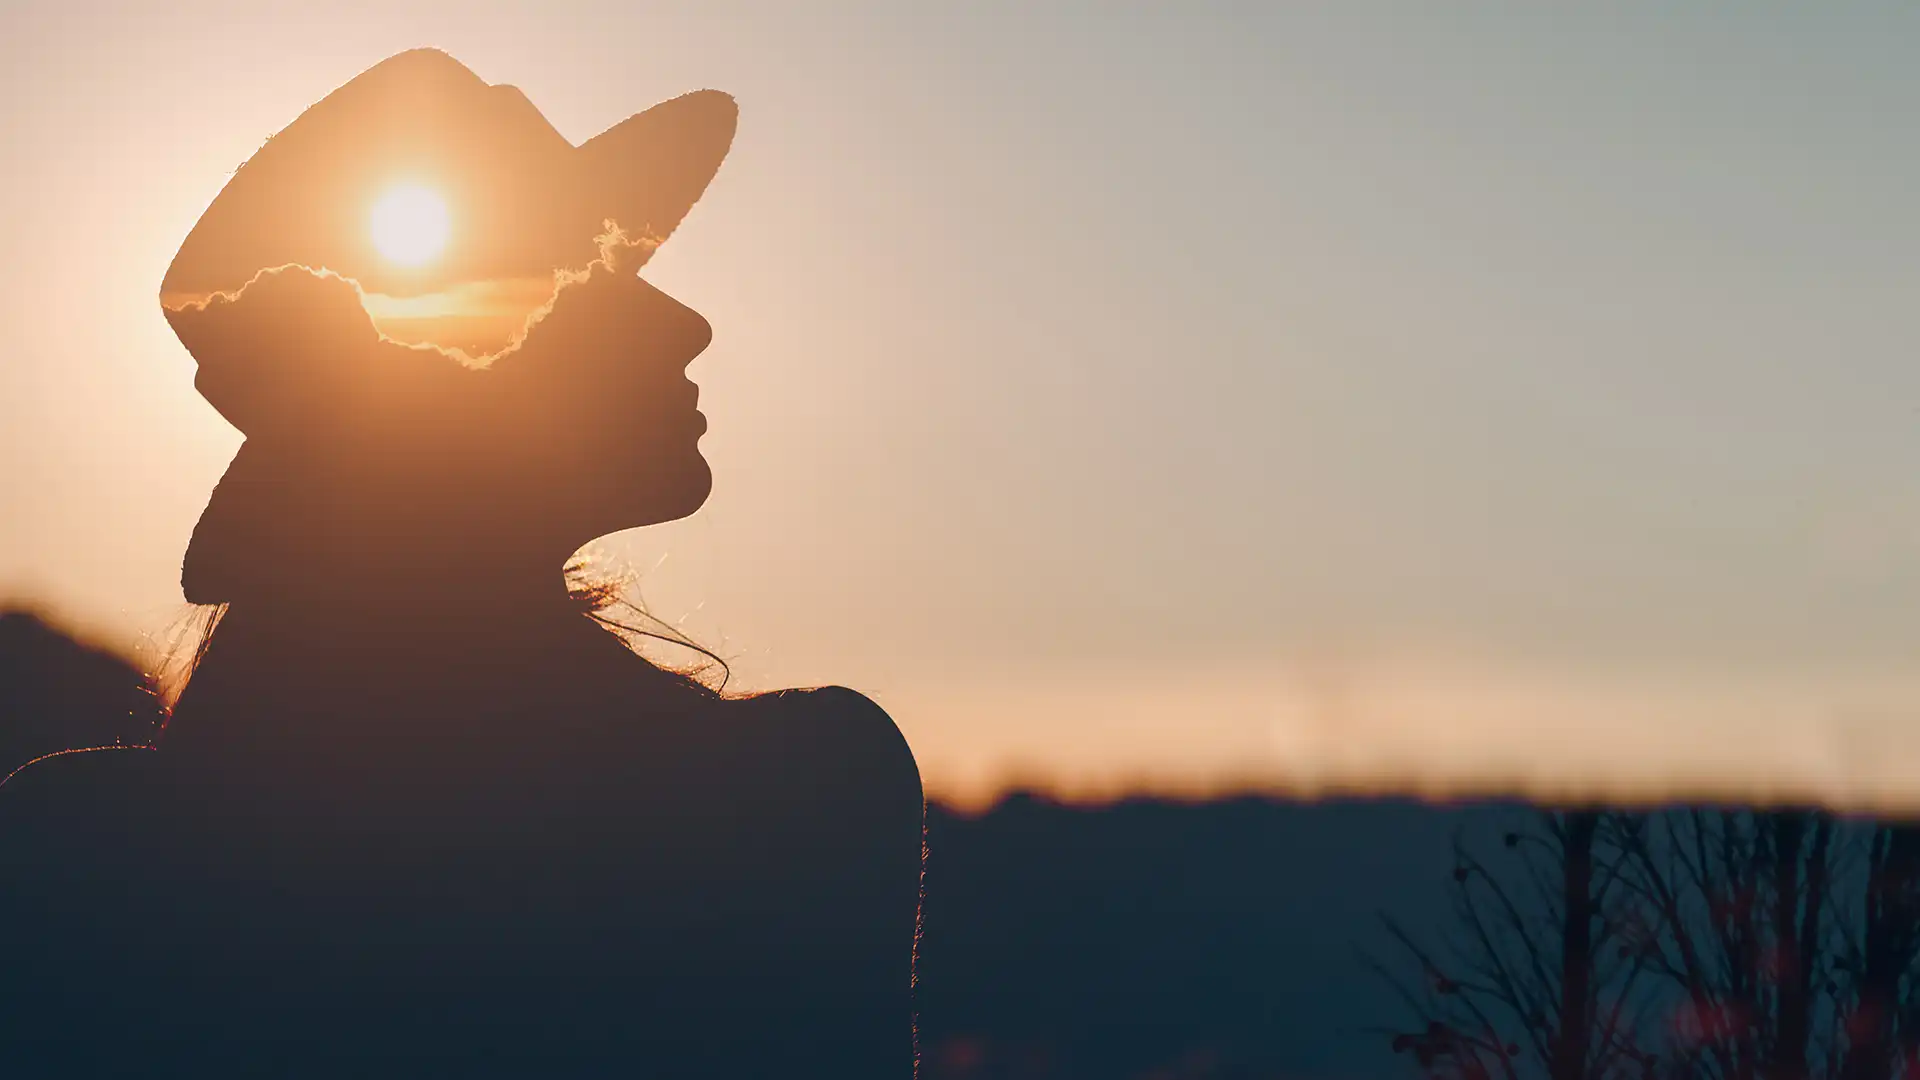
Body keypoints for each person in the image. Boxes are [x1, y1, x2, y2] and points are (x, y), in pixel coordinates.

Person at [0, 50, 924, 1078]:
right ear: (469, 376)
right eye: (597, 277)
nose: (687, 323)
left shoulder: (80, 857)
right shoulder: (799, 797)